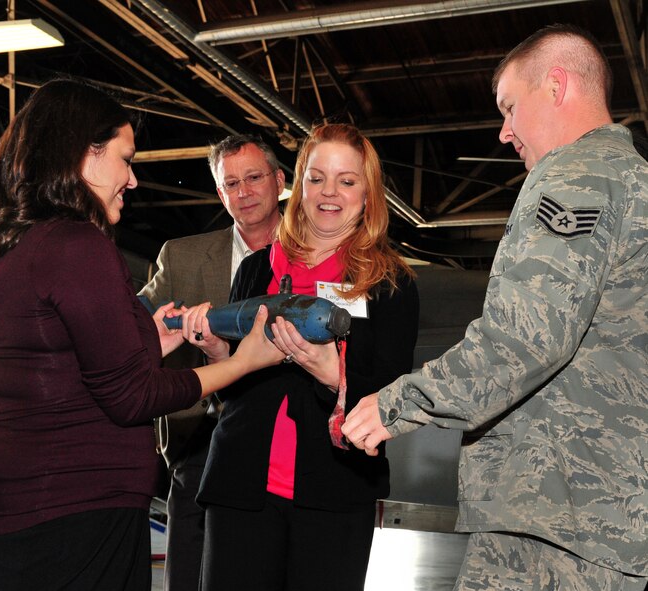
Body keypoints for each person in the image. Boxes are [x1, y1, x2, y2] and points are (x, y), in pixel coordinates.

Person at [342, 24, 647, 590]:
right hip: (609, 521)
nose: (505, 133)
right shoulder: (636, 184)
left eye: (510, 107)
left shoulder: (576, 175)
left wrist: (395, 404)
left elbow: (524, 337)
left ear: (556, 87)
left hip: (551, 517)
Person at [0, 78, 284, 591]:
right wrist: (245, 362)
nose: (131, 180)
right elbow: (134, 397)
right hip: (71, 522)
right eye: (125, 159)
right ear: (85, 156)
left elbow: (63, 373)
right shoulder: (78, 245)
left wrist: (149, 342)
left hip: (25, 513)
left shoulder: (26, 243)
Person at [187, 123, 419, 591]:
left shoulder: (391, 283)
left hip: (335, 492)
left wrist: (336, 376)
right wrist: (218, 353)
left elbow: (393, 397)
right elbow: (236, 387)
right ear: (299, 184)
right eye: (316, 178)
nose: (329, 193)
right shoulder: (258, 268)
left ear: (367, 193)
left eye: (347, 180)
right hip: (242, 486)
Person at [139, 134, 284, 591]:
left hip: (284, 436)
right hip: (201, 440)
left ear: (280, 181)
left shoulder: (314, 256)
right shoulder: (180, 256)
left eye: (254, 178)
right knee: (189, 574)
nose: (243, 192)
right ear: (220, 194)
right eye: (231, 184)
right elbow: (133, 325)